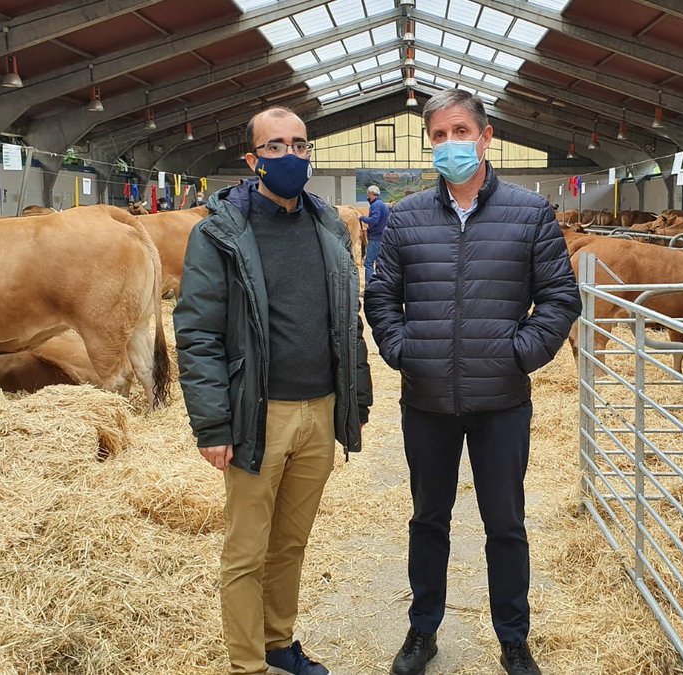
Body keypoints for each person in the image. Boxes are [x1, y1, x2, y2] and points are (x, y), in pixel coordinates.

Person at [364, 89, 581, 675]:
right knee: (428, 519)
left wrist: (521, 353)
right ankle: (421, 632)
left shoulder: (528, 212)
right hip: (428, 400)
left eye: (461, 132)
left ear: (486, 138)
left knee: (505, 524)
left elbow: (561, 297)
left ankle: (513, 638)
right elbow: (380, 296)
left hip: (502, 401)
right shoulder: (407, 217)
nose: (450, 143)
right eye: (438, 135)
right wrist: (402, 349)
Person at [174, 105, 372, 675]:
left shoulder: (329, 227)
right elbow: (197, 332)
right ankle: (247, 663)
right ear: (253, 159)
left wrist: (354, 400)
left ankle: (279, 643)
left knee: (290, 543)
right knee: (246, 551)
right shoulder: (219, 234)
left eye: (299, 145)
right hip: (259, 414)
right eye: (276, 146)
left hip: (320, 410)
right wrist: (213, 425)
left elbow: (345, 320)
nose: (290, 156)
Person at [359, 185, 389, 284]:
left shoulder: (376, 205)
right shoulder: (383, 205)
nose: (368, 197)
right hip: (383, 238)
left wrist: (362, 218)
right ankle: (378, 285)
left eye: (368, 195)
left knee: (368, 263)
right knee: (380, 263)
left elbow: (375, 220)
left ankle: (369, 285)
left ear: (372, 194)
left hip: (376, 239)